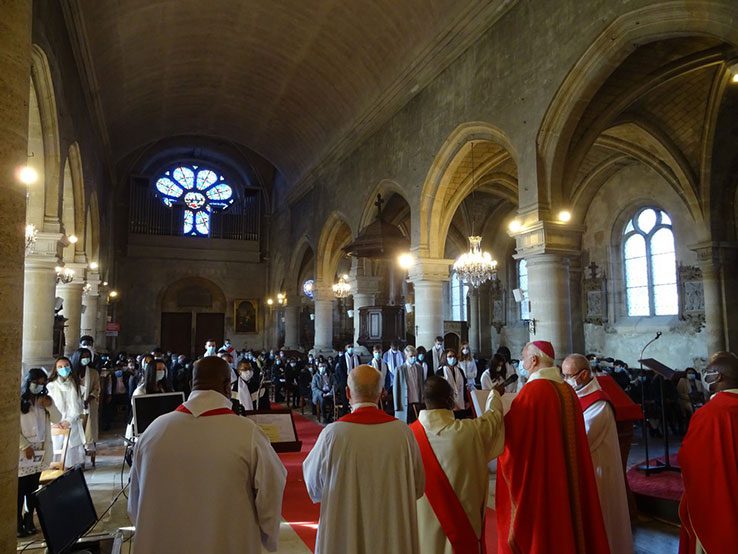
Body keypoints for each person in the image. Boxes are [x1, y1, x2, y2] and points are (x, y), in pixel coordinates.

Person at [128, 356, 286, 552]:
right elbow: (271, 489)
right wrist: (269, 537)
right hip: (226, 542)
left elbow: (135, 501)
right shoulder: (247, 434)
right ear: (228, 385)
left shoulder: (154, 430)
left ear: (191, 384)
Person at [496, 341, 609, 553]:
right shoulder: (567, 390)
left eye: (523, 358)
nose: (521, 363)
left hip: (543, 480)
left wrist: (495, 416)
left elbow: (512, 441)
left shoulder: (532, 392)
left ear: (534, 360)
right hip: (566, 475)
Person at [303, 364, 425, 554]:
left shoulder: (333, 434)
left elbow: (313, 486)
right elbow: (417, 487)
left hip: (345, 532)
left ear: (348, 393)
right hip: (391, 533)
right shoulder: (403, 433)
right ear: (382, 393)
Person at [413, 376, 505, 553]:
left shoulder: (408, 438)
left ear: (424, 400)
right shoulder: (470, 433)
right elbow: (493, 419)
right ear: (451, 400)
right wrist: (494, 395)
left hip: (423, 536)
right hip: (463, 532)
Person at [562, 354, 633, 554]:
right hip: (586, 469)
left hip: (598, 472)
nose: (565, 379)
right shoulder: (577, 396)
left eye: (568, 375)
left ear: (584, 374)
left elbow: (582, 438)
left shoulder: (598, 403)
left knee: (602, 520)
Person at [678, 353, 738, 554]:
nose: (706, 377)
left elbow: (691, 460)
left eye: (709, 373)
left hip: (721, 502)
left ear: (719, 377)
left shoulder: (709, 414)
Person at [18, 368, 61, 537]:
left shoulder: (43, 401)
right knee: (19, 490)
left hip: (39, 452)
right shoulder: (19, 400)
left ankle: (30, 520)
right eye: (36, 382)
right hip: (23, 451)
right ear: (29, 382)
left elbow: (57, 419)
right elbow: (11, 427)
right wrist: (24, 446)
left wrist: (50, 406)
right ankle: (18, 522)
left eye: (42, 383)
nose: (39, 386)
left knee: (33, 489)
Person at [46, 356, 86, 468]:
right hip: (56, 424)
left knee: (70, 457)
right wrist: (55, 422)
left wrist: (68, 420)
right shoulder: (51, 386)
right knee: (56, 453)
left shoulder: (75, 384)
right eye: (60, 367)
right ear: (56, 369)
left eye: (66, 366)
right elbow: (48, 407)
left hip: (71, 423)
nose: (64, 369)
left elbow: (78, 406)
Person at [71, 347, 100, 464]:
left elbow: (97, 389)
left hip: (89, 405)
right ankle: (78, 459)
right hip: (75, 407)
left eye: (88, 357)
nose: (86, 359)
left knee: (88, 432)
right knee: (77, 433)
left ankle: (89, 455)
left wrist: (87, 400)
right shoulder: (72, 374)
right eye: (83, 357)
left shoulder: (93, 373)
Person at [393, 344, 425, 423]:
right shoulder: (400, 369)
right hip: (405, 403)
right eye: (411, 356)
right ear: (406, 356)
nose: (413, 358)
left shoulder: (420, 368)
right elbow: (396, 389)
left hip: (418, 401)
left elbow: (422, 385)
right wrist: (397, 406)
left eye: (415, 356)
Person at [437, 349, 466, 413]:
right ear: (445, 358)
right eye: (450, 356)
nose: (452, 358)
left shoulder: (460, 371)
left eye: (454, 356)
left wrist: (466, 400)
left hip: (461, 402)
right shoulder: (440, 372)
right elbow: (441, 391)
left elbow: (464, 387)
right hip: (448, 405)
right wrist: (451, 404)